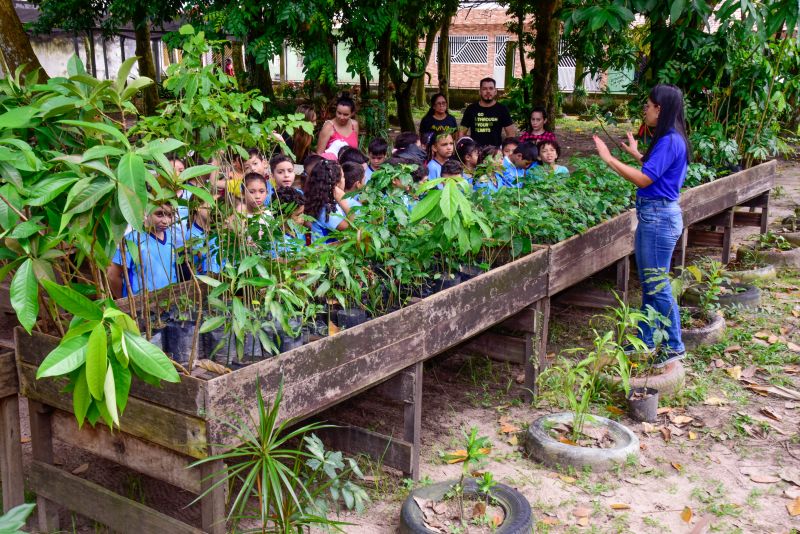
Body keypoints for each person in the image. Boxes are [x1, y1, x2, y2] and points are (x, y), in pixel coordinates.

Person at [593, 83, 689, 367]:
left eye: (647, 106)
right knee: (650, 283)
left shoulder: (671, 139)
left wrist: (609, 159)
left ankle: (674, 345)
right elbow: (655, 170)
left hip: (659, 218)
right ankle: (645, 339)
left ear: (660, 109)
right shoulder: (671, 138)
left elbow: (645, 180)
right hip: (656, 215)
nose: (644, 110)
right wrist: (637, 154)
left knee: (657, 285)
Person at [108, 204, 177, 298]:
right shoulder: (132, 239)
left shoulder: (170, 235)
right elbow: (112, 275)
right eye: (159, 214)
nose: (166, 221)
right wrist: (125, 301)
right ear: (145, 212)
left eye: (170, 215)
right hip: (142, 303)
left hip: (170, 298)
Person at [303, 160, 354, 239]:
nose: (344, 180)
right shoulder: (327, 212)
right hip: (327, 250)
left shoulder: (321, 202)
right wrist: (343, 200)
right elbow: (355, 229)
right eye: (343, 177)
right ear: (336, 184)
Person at [460, 77, 516, 147]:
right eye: (484, 89)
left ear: (495, 91)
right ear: (479, 91)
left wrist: (503, 150)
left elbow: (511, 133)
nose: (488, 91)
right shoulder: (471, 109)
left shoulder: (502, 109)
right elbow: (461, 132)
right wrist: (467, 149)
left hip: (495, 153)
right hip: (475, 153)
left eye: (491, 88)